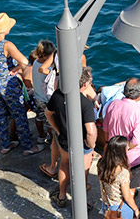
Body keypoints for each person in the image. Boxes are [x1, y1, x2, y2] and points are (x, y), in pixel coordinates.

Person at [46, 66, 97, 208]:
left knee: (64, 164)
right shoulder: (86, 104)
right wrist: (91, 145)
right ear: (85, 84)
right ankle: (82, 201)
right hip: (82, 144)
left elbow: (48, 113)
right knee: (83, 171)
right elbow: (91, 131)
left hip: (64, 140)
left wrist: (57, 129)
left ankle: (62, 196)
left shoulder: (57, 95)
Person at [0, 12, 40, 155]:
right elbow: (24, 61)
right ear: (4, 30)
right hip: (8, 85)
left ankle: (5, 145)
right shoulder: (6, 45)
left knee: (0, 115)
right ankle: (28, 147)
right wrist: (15, 69)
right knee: (19, 114)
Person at [103, 78, 140, 193]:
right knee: (130, 189)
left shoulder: (113, 105)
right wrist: (124, 149)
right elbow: (135, 141)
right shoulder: (138, 114)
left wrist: (111, 147)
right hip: (133, 158)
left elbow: (106, 129)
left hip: (113, 153)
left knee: (116, 184)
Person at [98, 135, 140, 219]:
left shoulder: (101, 164)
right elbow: (127, 197)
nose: (128, 149)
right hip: (120, 209)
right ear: (121, 152)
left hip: (106, 205)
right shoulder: (122, 172)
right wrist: (136, 209)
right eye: (126, 147)